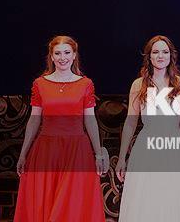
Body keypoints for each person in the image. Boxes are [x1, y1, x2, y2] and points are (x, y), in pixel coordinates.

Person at [13, 35, 108, 221]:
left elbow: (90, 120)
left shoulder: (85, 84)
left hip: (77, 150)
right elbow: (34, 120)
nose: (62, 57)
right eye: (58, 53)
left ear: (74, 55)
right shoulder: (40, 83)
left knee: (72, 204)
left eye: (66, 52)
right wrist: (23, 154)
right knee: (46, 203)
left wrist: (98, 154)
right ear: (51, 56)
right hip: (46, 150)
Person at [116, 35, 180, 221]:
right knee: (147, 198)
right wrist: (121, 158)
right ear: (149, 56)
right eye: (155, 52)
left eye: (165, 52)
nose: (160, 56)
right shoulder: (139, 84)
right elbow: (130, 122)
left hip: (174, 147)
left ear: (171, 55)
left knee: (173, 197)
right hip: (147, 147)